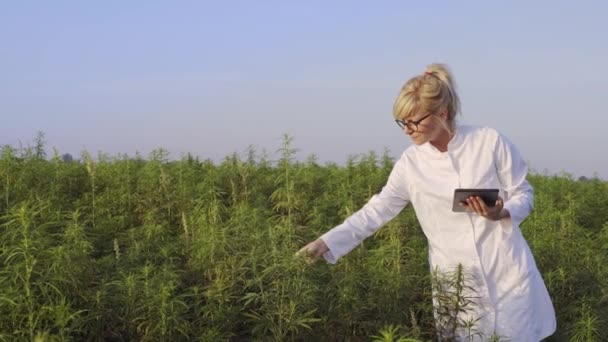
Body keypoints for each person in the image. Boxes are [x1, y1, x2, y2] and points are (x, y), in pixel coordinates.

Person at [297, 64, 556, 341]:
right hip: (454, 280)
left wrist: (501, 211)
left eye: (414, 121)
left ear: (442, 113)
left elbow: (524, 194)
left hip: (505, 269)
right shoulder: (411, 164)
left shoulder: (488, 141)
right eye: (402, 122)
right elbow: (376, 210)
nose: (407, 130)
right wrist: (325, 243)